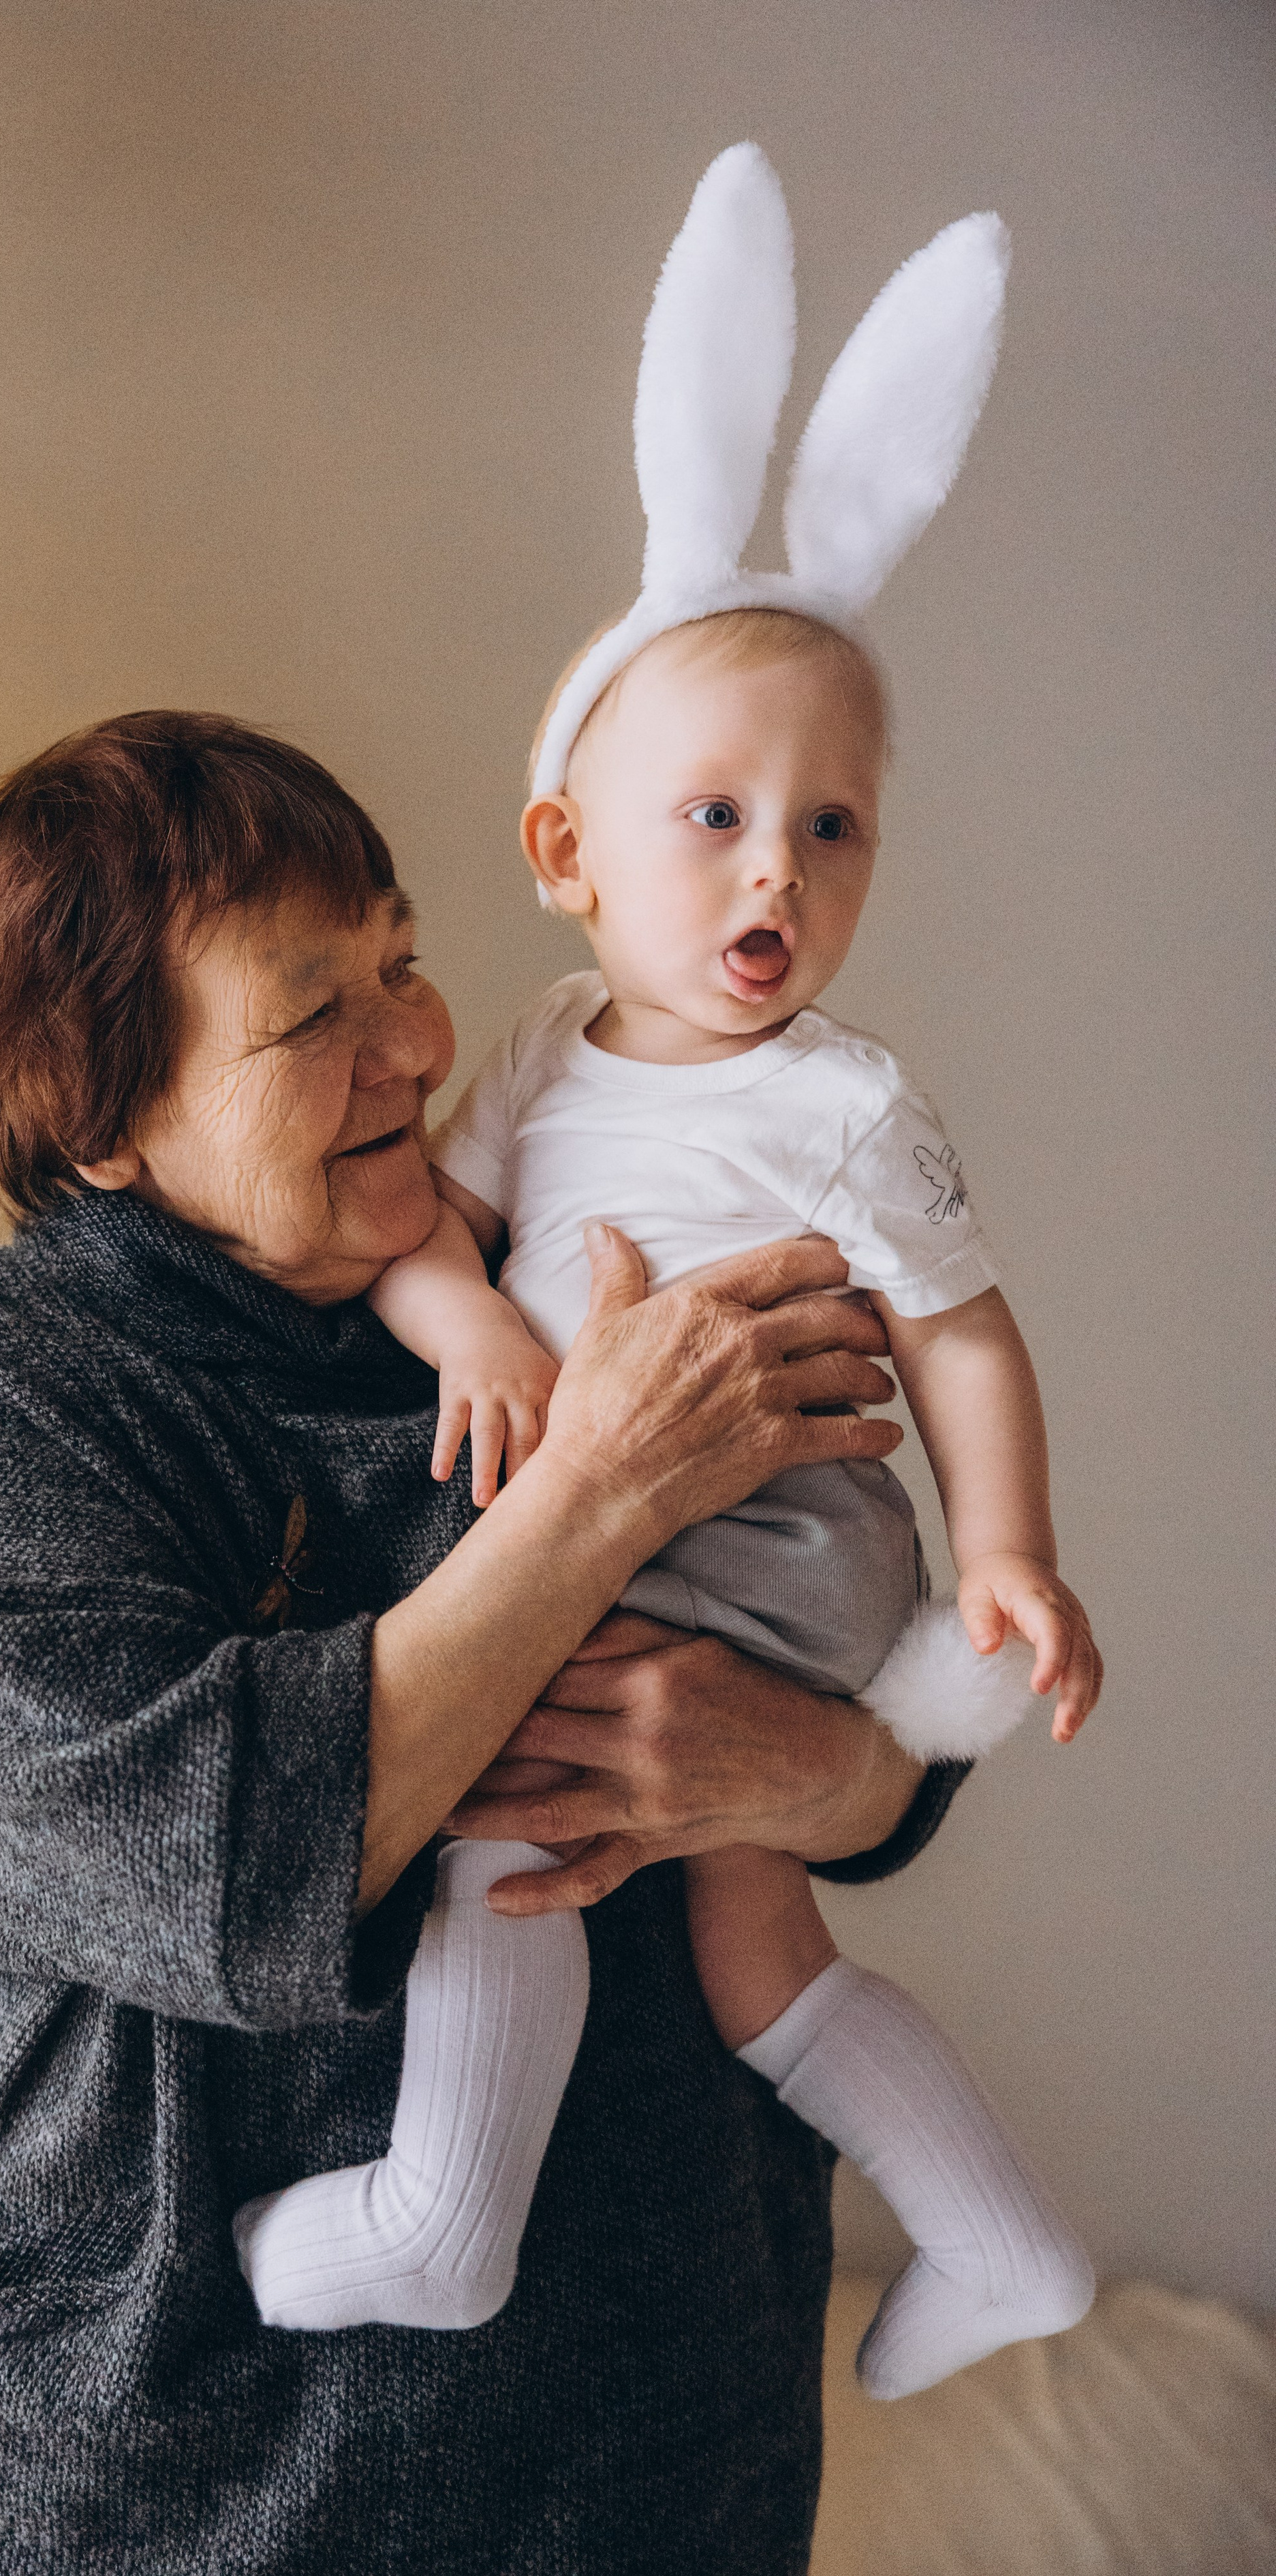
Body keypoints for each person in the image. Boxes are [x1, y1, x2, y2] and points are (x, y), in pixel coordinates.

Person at [0, 708, 966, 2576]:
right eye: (310, 1016)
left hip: (652, 2456)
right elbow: (200, 1861)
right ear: (100, 1119)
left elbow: (886, 1669)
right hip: (162, 2490)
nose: (418, 1045)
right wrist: (595, 1489)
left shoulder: (560, 1260)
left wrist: (820, 1774)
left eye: (402, 960)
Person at [237, 606, 1100, 2401]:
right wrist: (478, 1328)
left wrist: (1008, 1551)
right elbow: (426, 1240)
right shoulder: (549, 1048)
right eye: (717, 815)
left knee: (509, 1791)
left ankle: (439, 2219)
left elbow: (960, 1336)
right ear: (569, 854)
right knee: (749, 1928)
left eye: (831, 826)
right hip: (693, 1547)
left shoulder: (847, 1101)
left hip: (769, 1539)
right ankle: (1000, 2240)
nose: (777, 866)